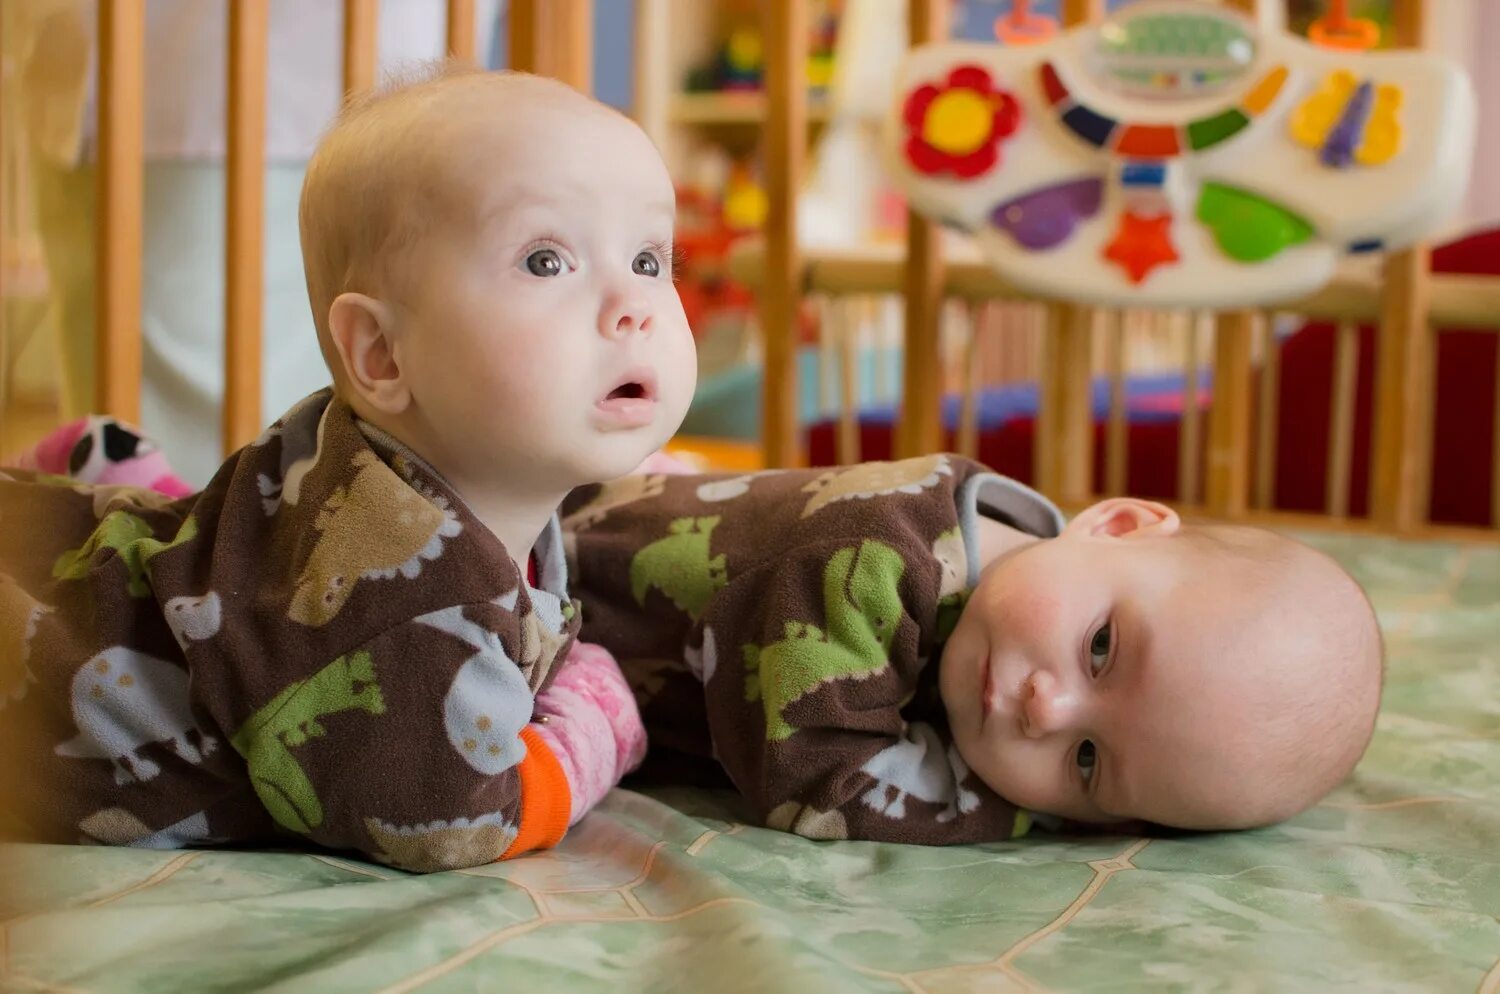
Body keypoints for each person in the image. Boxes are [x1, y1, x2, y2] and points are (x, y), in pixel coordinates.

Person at [0, 65, 697, 873]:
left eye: (650, 259)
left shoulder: (368, 460)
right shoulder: (404, 599)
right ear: (379, 353)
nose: (635, 305)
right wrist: (594, 724)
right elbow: (451, 817)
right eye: (546, 262)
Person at [561, 454, 1384, 842]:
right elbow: (811, 783)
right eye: (1100, 649)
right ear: (1116, 525)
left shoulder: (1010, 615)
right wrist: (1026, 815)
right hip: (551, 562)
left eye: (1088, 763)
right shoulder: (873, 559)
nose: (1045, 708)